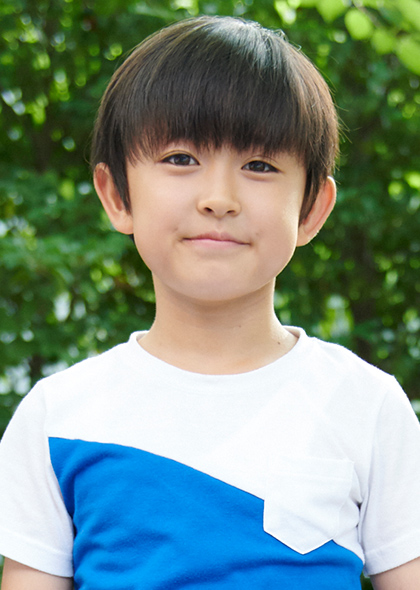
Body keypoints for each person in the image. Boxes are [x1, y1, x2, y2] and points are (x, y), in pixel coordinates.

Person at [0, 15, 419, 590]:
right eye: (180, 159)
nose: (219, 198)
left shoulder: (366, 406)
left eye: (259, 166)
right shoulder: (58, 417)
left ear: (312, 210)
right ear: (117, 195)